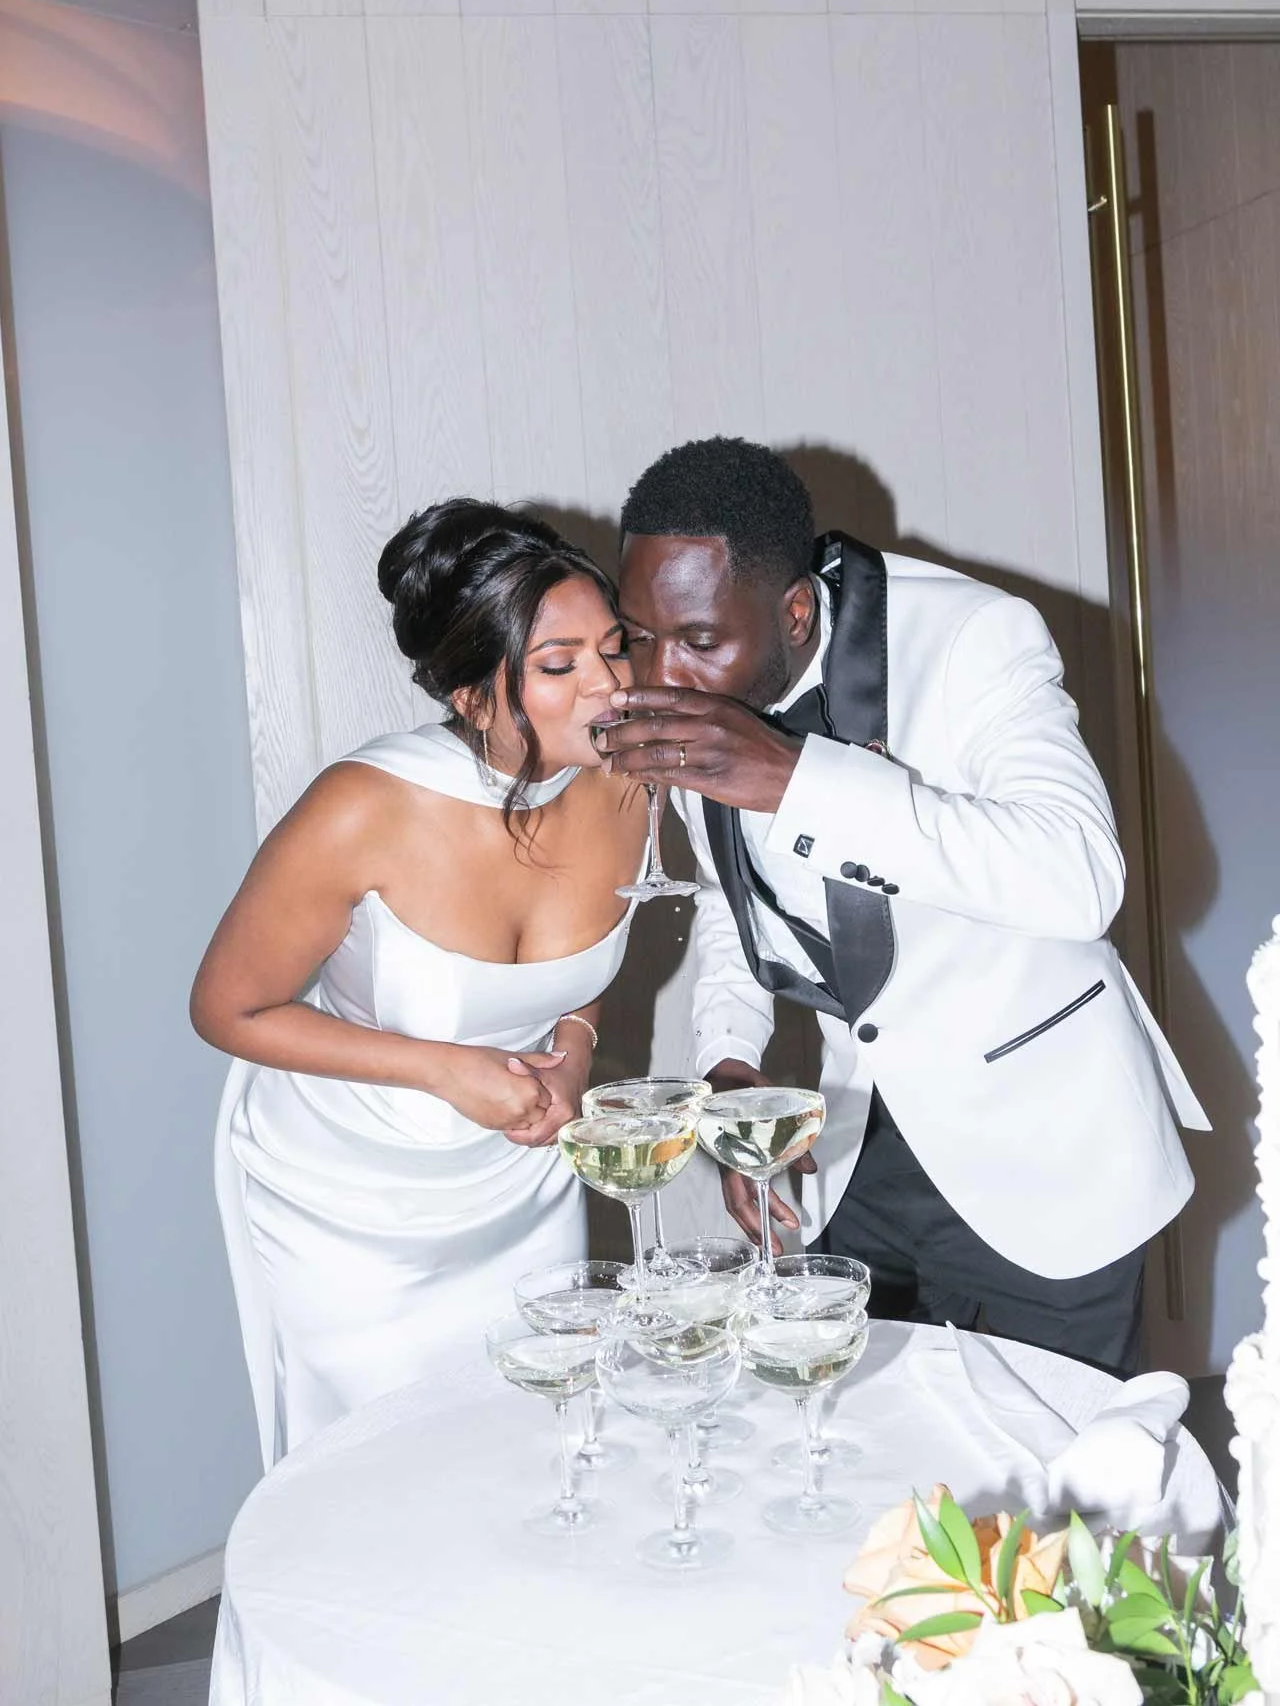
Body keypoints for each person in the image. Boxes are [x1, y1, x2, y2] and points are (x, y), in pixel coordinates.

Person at [597, 436, 1209, 1374]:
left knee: (1056, 1489)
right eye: (639, 634)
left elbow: (1083, 876)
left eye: (698, 641)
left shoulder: (974, 639)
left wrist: (799, 778)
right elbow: (737, 904)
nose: (659, 676)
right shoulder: (689, 692)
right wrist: (727, 1064)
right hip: (859, 1154)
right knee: (874, 1471)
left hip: (1042, 1154)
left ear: (796, 611)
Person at [192, 500, 648, 1463]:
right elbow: (226, 1008)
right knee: (385, 1475)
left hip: (520, 1181)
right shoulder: (364, 808)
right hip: (349, 1202)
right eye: (560, 667)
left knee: (542, 1450)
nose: (611, 686)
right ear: (471, 697)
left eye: (615, 647)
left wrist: (572, 1054)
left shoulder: (630, 780)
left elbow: (576, 977)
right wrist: (446, 1069)